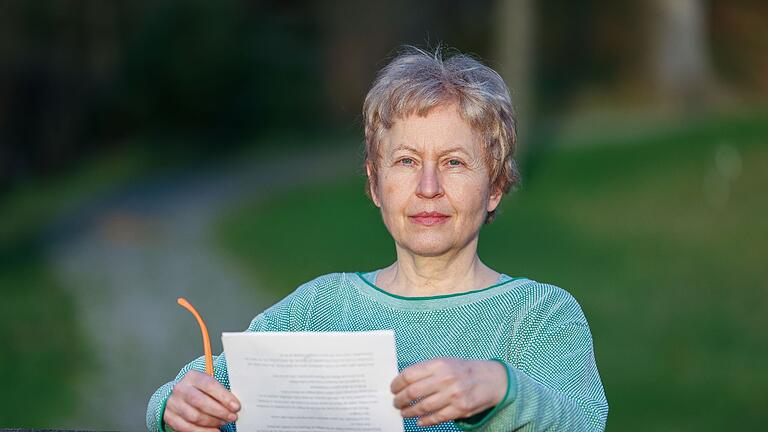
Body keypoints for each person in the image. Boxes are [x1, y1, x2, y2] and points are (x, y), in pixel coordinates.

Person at [147, 46, 608, 432]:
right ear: (374, 183)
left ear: (496, 186)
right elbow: (203, 390)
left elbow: (584, 423)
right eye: (406, 161)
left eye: (453, 163)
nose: (428, 187)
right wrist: (175, 406)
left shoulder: (540, 316)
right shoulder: (319, 309)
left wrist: (504, 389)